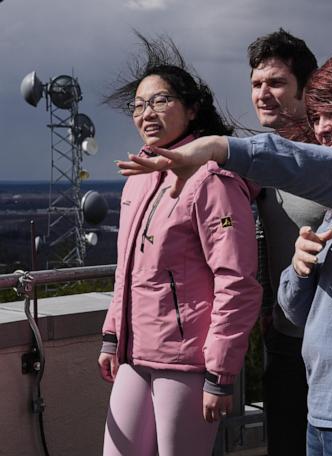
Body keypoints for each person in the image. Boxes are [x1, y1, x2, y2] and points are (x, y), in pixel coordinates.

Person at [118, 16, 332, 456]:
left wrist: (221, 148)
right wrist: (300, 270)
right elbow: (296, 309)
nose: (322, 129)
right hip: (327, 402)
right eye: (317, 117)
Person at [99, 34, 261, 456]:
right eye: (138, 105)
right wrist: (113, 335)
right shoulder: (138, 178)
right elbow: (126, 270)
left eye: (160, 100)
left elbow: (237, 281)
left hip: (188, 361)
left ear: (192, 109)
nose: (146, 113)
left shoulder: (212, 180)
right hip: (135, 353)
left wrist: (220, 373)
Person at [247, 28, 325, 456]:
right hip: (283, 338)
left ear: (305, 89)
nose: (263, 94)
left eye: (276, 82)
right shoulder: (260, 160)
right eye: (257, 84)